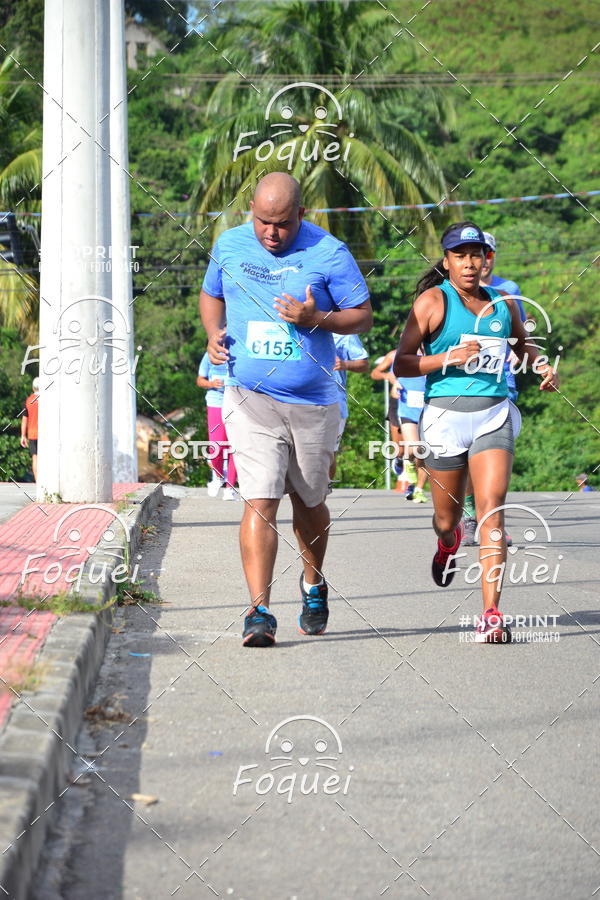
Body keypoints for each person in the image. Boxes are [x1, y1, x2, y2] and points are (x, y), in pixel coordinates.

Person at [200, 172, 372, 647]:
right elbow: (211, 294)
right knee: (261, 496)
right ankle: (259, 611)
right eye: (262, 222)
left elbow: (362, 314)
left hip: (314, 401)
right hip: (248, 395)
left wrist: (315, 318)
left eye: (281, 224)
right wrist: (213, 334)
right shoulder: (230, 245)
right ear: (249, 211)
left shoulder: (329, 252)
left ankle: (313, 582)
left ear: (301, 214)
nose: (271, 233)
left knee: (310, 501)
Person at [394, 221, 558, 643]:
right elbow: (403, 364)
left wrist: (539, 366)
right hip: (444, 418)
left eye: (476, 254)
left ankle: (490, 612)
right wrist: (447, 357)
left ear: (487, 259)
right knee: (448, 519)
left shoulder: (504, 303)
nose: (470, 263)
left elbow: (524, 346)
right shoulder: (432, 302)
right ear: (447, 261)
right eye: (460, 255)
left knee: (491, 508)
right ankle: (447, 543)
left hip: (492, 415)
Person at [461, 230, 527, 546]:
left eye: (485, 254)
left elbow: (521, 338)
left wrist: (530, 360)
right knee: (469, 459)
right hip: (460, 388)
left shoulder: (508, 291)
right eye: (472, 254)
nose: (480, 262)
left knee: (495, 456)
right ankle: (471, 515)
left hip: (502, 385)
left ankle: (491, 520)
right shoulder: (452, 292)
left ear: (492, 257)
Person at [196, 351, 238, 500]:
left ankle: (230, 488)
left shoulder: (239, 351)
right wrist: (211, 384)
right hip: (216, 402)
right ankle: (219, 476)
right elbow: (200, 380)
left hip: (237, 403)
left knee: (234, 446)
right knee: (216, 446)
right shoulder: (210, 354)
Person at [330, 333, 369, 480]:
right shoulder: (301, 328)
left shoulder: (345, 334)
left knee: (328, 453)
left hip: (335, 403)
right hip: (301, 400)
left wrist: (345, 364)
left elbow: (364, 364)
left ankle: (321, 496)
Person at [396, 360, 428, 502]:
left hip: (428, 413)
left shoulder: (435, 357)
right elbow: (391, 375)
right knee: (414, 448)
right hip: (407, 413)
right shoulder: (403, 358)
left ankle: (418, 489)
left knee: (424, 452)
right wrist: (394, 383)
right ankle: (407, 463)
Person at [370, 351, 404, 481]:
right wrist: (387, 376)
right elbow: (374, 373)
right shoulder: (393, 355)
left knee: (417, 446)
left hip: (419, 403)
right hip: (398, 401)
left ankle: (416, 485)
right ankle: (399, 459)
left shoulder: (429, 352)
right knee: (399, 448)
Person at [20, 377, 40, 481]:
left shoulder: (28, 401)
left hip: (32, 434)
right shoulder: (48, 399)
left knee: (35, 458)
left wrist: (23, 436)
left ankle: (38, 482)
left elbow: (24, 420)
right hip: (45, 434)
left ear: (33, 388)